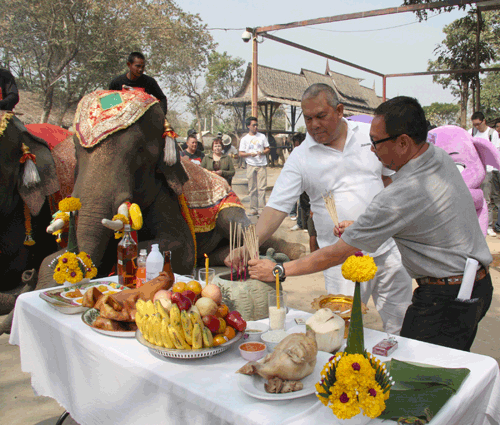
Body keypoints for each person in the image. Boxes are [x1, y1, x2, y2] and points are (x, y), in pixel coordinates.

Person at [249, 96, 493, 352]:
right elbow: (416, 217)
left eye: (376, 142)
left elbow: (337, 253)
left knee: (418, 374)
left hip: (445, 300)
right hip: (474, 285)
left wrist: (279, 271)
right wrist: (363, 226)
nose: (371, 149)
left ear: (403, 142)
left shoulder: (401, 193)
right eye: (308, 118)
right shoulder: (437, 156)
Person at [228, 84, 412, 335]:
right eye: (308, 118)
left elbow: (391, 180)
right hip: (338, 259)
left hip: (386, 250)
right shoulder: (301, 157)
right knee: (341, 329)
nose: (314, 124)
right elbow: (276, 208)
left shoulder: (370, 135)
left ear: (339, 110)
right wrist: (248, 244)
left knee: (401, 322)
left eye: (321, 116)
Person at [469, 111, 500, 236]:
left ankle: (487, 226)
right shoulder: (471, 132)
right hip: (474, 172)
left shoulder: (492, 134)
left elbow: (494, 152)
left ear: (484, 121)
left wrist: (492, 169)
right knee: (473, 199)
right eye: (474, 124)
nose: (476, 127)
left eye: (478, 124)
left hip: (487, 171)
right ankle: (474, 224)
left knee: (487, 200)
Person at [239, 116, 270, 216]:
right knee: (252, 188)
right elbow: (240, 153)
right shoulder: (244, 139)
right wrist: (249, 154)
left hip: (261, 164)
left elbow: (268, 149)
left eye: (256, 125)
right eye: (253, 125)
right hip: (250, 164)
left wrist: (262, 152)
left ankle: (262, 209)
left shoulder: (262, 137)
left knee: (262, 187)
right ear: (248, 126)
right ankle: (253, 208)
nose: (256, 127)